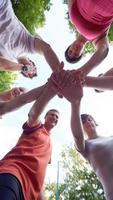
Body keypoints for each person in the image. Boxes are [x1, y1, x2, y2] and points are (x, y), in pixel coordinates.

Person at [51, 70, 113, 200]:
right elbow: (78, 137)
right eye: (83, 121)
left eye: (89, 119)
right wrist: (75, 103)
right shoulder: (87, 146)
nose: (88, 122)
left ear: (95, 122)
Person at [0, 75, 60, 200]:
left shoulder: (50, 146)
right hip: (13, 175)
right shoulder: (37, 127)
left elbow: (41, 173)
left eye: (57, 117)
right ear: (45, 117)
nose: (54, 117)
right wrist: (50, 90)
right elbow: (33, 114)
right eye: (52, 115)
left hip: (29, 194)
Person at [0, 0, 61, 78]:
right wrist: (60, 73)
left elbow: (3, 66)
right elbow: (46, 48)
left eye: (29, 74)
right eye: (34, 69)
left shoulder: (8, 59)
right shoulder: (28, 47)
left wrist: (22, 68)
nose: (31, 70)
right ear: (32, 63)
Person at [65, 0, 113, 76]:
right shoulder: (97, 39)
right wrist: (82, 73)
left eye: (70, 51)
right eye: (76, 54)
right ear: (82, 53)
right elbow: (103, 50)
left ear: (70, 45)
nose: (74, 50)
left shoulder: (72, 19)